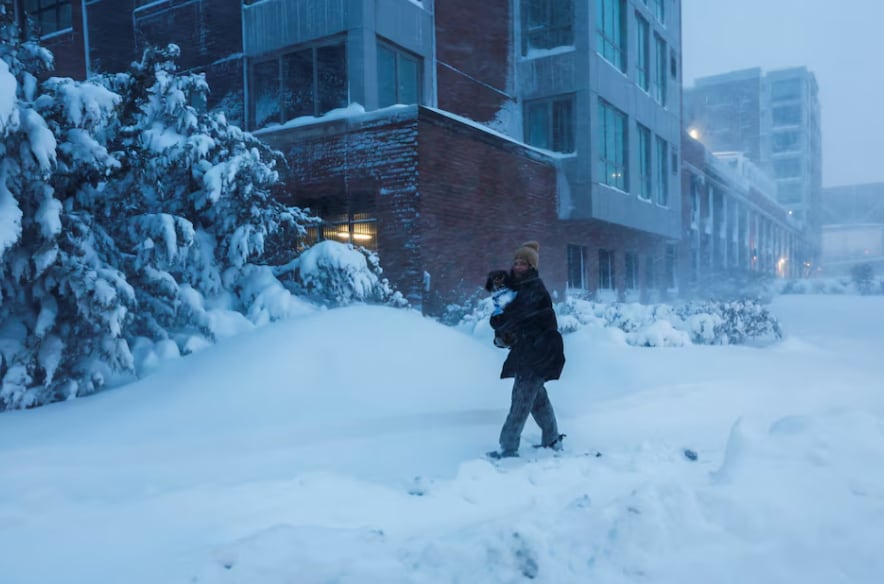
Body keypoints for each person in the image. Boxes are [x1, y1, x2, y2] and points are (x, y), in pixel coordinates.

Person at [487, 241, 565, 459]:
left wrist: (502, 325)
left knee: (520, 401)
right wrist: (501, 328)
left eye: (523, 263)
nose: (518, 266)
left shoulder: (534, 290)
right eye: (516, 262)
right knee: (538, 401)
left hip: (538, 353)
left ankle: (507, 448)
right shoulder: (519, 289)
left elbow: (519, 319)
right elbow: (510, 319)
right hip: (529, 352)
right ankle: (552, 439)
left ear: (531, 266)